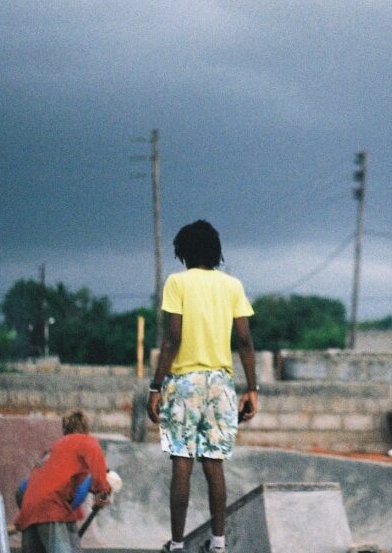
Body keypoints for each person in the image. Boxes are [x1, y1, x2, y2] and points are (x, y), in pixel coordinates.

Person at [147, 220, 259, 553]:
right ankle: (219, 544)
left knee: (182, 460)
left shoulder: (177, 283)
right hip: (221, 384)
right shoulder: (232, 286)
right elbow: (244, 340)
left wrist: (156, 387)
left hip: (184, 383)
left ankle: (178, 545)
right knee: (214, 463)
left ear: (183, 252)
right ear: (215, 250)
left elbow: (172, 339)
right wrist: (252, 388)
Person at [15, 410, 113, 553]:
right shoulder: (86, 441)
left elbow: (22, 489)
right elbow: (98, 464)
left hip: (28, 507)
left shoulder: (55, 449)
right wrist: (103, 491)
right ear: (86, 429)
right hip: (50, 505)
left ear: (64, 429)